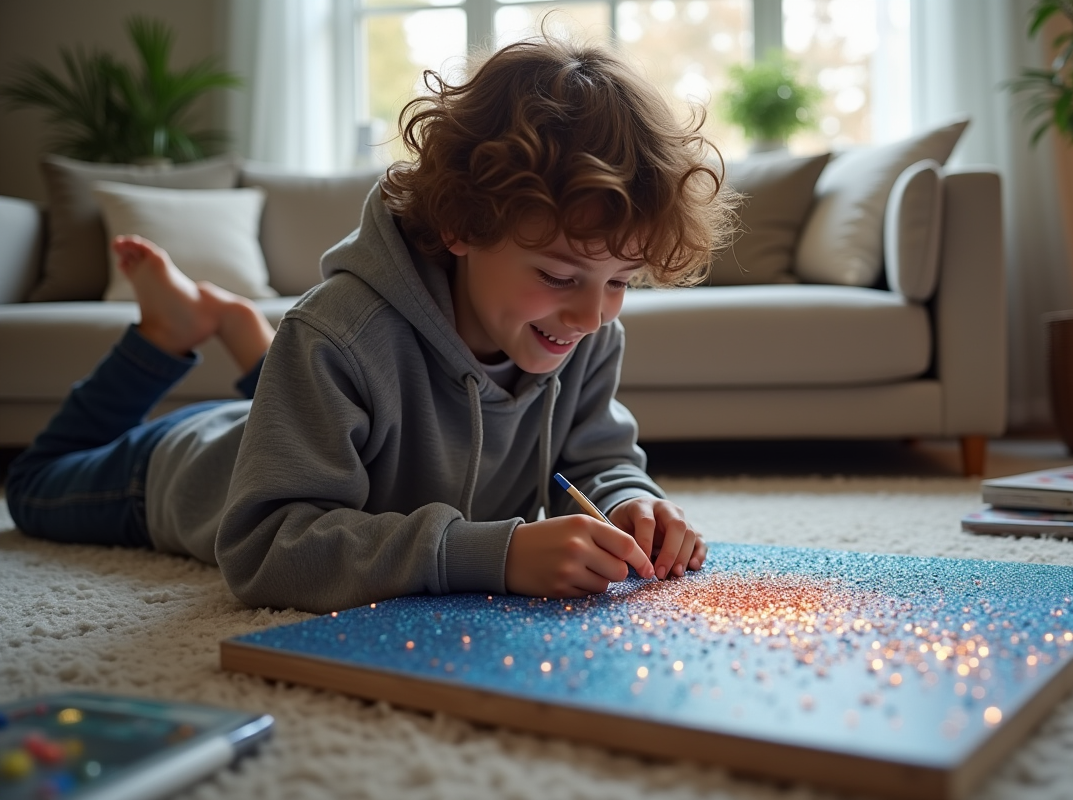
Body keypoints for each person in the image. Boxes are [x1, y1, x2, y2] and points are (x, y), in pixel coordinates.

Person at [6, 36, 737, 613]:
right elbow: (265, 547)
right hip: (178, 472)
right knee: (34, 489)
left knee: (330, 403)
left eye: (621, 282)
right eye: (558, 275)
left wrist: (630, 501)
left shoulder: (584, 331)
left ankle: (237, 334)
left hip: (312, 427)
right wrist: (493, 555)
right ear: (460, 224)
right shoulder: (336, 334)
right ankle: (164, 333)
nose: (592, 314)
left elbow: (595, 459)